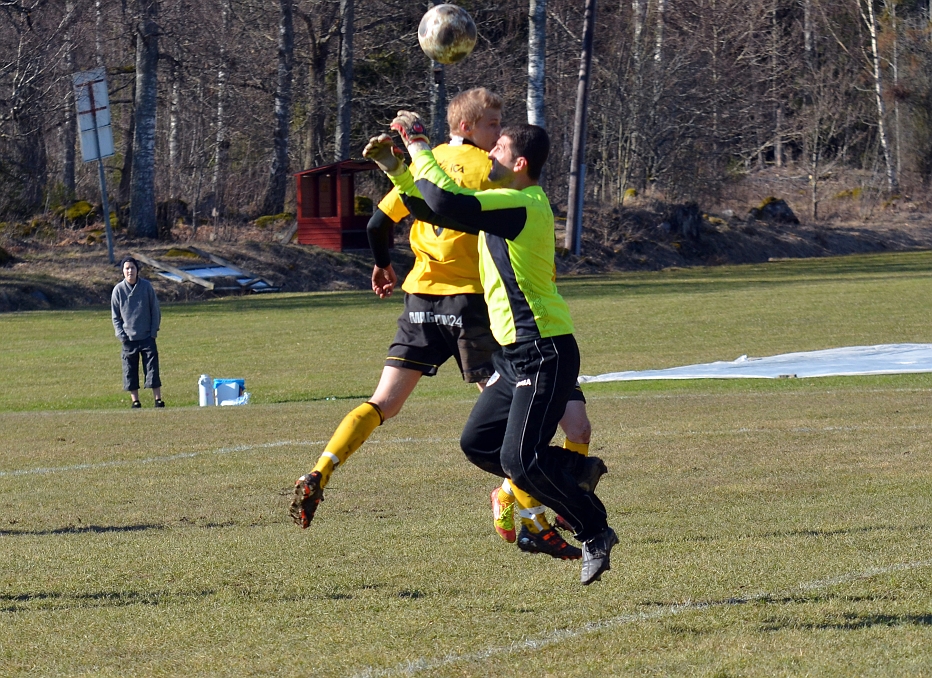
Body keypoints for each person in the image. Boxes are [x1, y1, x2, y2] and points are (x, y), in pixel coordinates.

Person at [290, 88, 588, 560]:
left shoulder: (423, 167)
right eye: (492, 125)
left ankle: (322, 469)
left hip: (420, 299)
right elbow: (464, 209)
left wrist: (383, 264)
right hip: (476, 306)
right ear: (468, 126)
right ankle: (530, 509)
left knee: (383, 402)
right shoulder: (491, 172)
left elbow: (378, 224)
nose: (495, 139)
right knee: (515, 417)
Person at [363, 113, 616, 584]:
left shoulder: (522, 204)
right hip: (514, 354)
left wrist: (418, 143)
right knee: (478, 444)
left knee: (521, 459)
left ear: (518, 163)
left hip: (545, 349)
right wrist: (398, 173)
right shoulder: (500, 201)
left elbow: (442, 197)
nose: (487, 154)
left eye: (496, 148)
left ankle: (595, 531)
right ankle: (576, 469)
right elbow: (436, 211)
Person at [111, 256, 164, 408]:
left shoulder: (146, 287)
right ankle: (135, 401)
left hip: (147, 336)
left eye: (132, 268)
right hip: (128, 339)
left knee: (152, 369)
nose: (130, 271)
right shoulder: (118, 291)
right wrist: (121, 335)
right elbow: (115, 317)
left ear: (137, 270)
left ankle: (158, 400)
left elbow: (155, 310)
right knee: (130, 371)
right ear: (123, 271)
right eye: (126, 268)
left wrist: (153, 331)